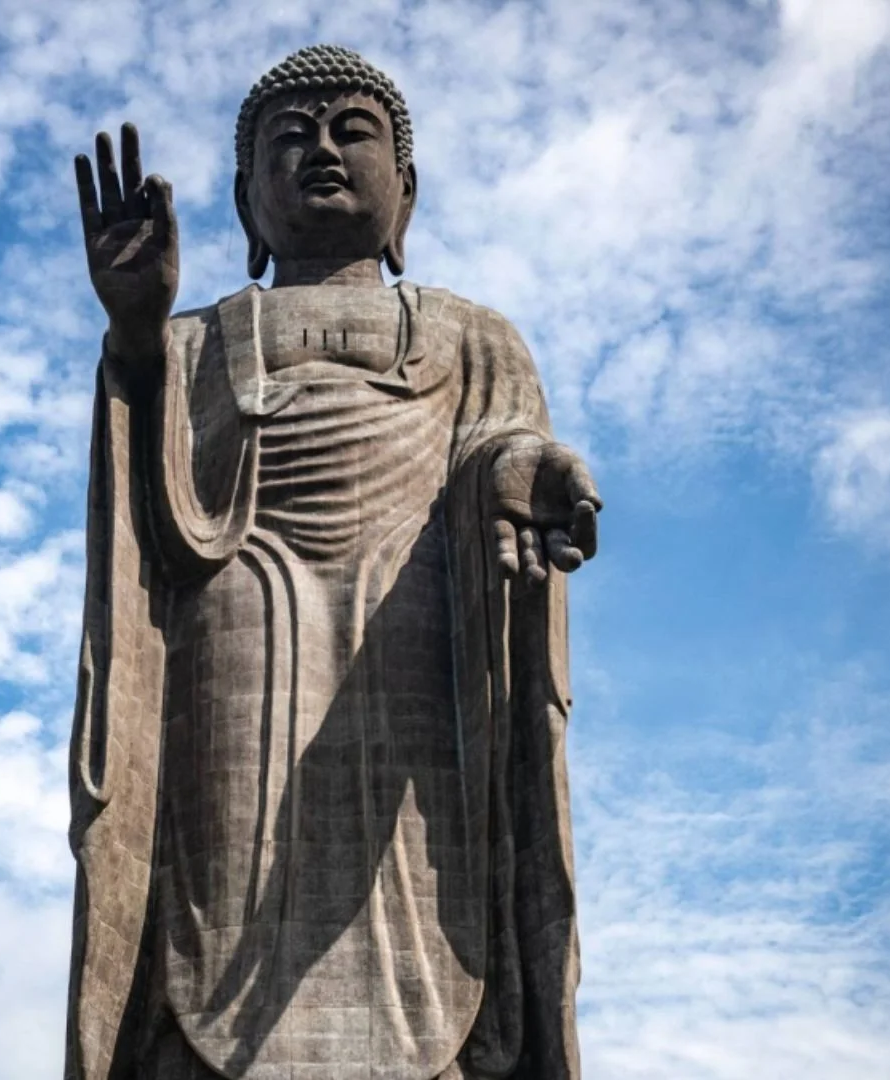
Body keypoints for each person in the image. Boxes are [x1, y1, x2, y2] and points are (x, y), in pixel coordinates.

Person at [65, 45, 601, 1080]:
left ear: (406, 186)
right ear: (242, 200)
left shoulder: (472, 333)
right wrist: (135, 330)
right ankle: (198, 1050)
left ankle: (427, 1051)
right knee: (222, 855)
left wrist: (529, 472)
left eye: (352, 130)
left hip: (415, 607)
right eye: (288, 138)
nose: (320, 150)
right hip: (240, 598)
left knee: (414, 852)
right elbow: (154, 520)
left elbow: (502, 444)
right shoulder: (192, 336)